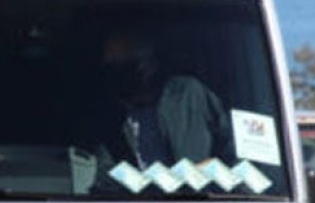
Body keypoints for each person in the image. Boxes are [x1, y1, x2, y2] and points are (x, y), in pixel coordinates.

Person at [97, 33, 230, 169]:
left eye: (124, 65)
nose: (118, 75)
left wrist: (209, 168)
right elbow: (105, 180)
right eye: (111, 67)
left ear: (149, 64)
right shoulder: (115, 122)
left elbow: (234, 151)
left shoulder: (187, 96)